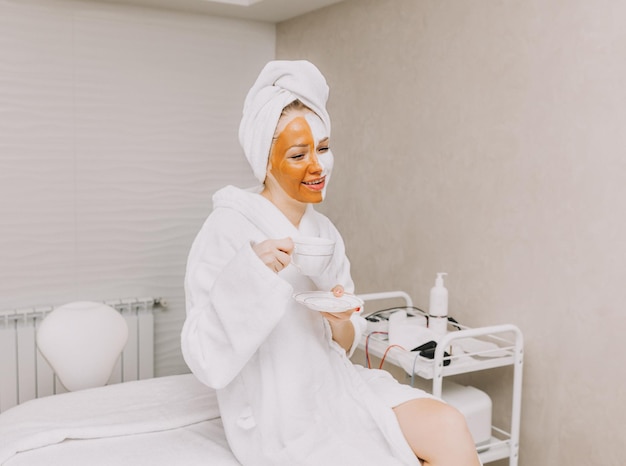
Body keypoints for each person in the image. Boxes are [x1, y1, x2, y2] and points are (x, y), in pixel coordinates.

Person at [181, 60, 481, 466]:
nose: (318, 166)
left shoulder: (324, 231)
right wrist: (249, 275)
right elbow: (204, 358)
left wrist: (341, 318)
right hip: (277, 409)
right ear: (265, 161)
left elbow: (344, 339)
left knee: (449, 427)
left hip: (335, 382)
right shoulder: (228, 227)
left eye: (323, 149)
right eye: (299, 154)